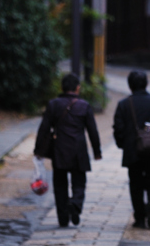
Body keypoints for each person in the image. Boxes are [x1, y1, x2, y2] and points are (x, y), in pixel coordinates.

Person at [34, 74, 102, 227]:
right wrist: (97, 151)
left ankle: (63, 218)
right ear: (77, 88)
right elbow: (92, 130)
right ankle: (75, 205)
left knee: (60, 185)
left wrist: (38, 150)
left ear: (62, 88)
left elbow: (44, 128)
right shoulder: (84, 105)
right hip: (79, 149)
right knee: (79, 182)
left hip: (59, 149)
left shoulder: (53, 104)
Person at [113, 70, 150, 229]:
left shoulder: (124, 104)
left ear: (130, 85)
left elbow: (118, 128)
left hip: (134, 150)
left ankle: (139, 217)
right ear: (145, 83)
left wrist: (122, 144)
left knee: (136, 183)